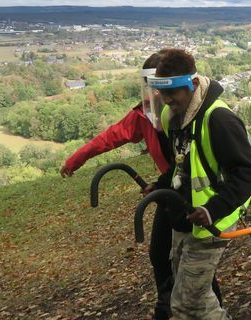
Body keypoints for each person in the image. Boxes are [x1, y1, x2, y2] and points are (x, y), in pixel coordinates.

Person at [60, 53, 175, 320]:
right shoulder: (144, 116)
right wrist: (75, 160)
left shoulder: (189, 113)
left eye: (161, 87)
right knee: (160, 254)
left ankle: (209, 306)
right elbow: (110, 137)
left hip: (195, 193)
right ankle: (166, 307)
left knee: (193, 259)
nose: (156, 96)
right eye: (151, 88)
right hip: (170, 193)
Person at [148, 48, 251, 320]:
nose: (165, 101)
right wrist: (162, 185)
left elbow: (247, 174)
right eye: (162, 94)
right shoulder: (172, 114)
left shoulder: (219, 119)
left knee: (187, 302)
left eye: (172, 93)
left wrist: (212, 209)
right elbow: (182, 162)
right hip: (187, 216)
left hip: (213, 218)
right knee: (194, 297)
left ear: (193, 85)